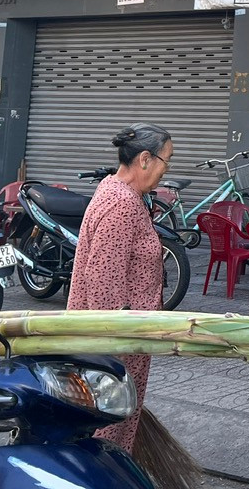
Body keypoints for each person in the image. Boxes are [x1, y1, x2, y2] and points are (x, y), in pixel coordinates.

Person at [67, 123, 173, 452]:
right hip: (114, 350)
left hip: (124, 344)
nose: (166, 171)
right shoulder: (122, 206)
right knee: (107, 433)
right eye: (165, 161)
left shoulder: (116, 191)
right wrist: (113, 364)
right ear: (144, 159)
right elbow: (103, 292)